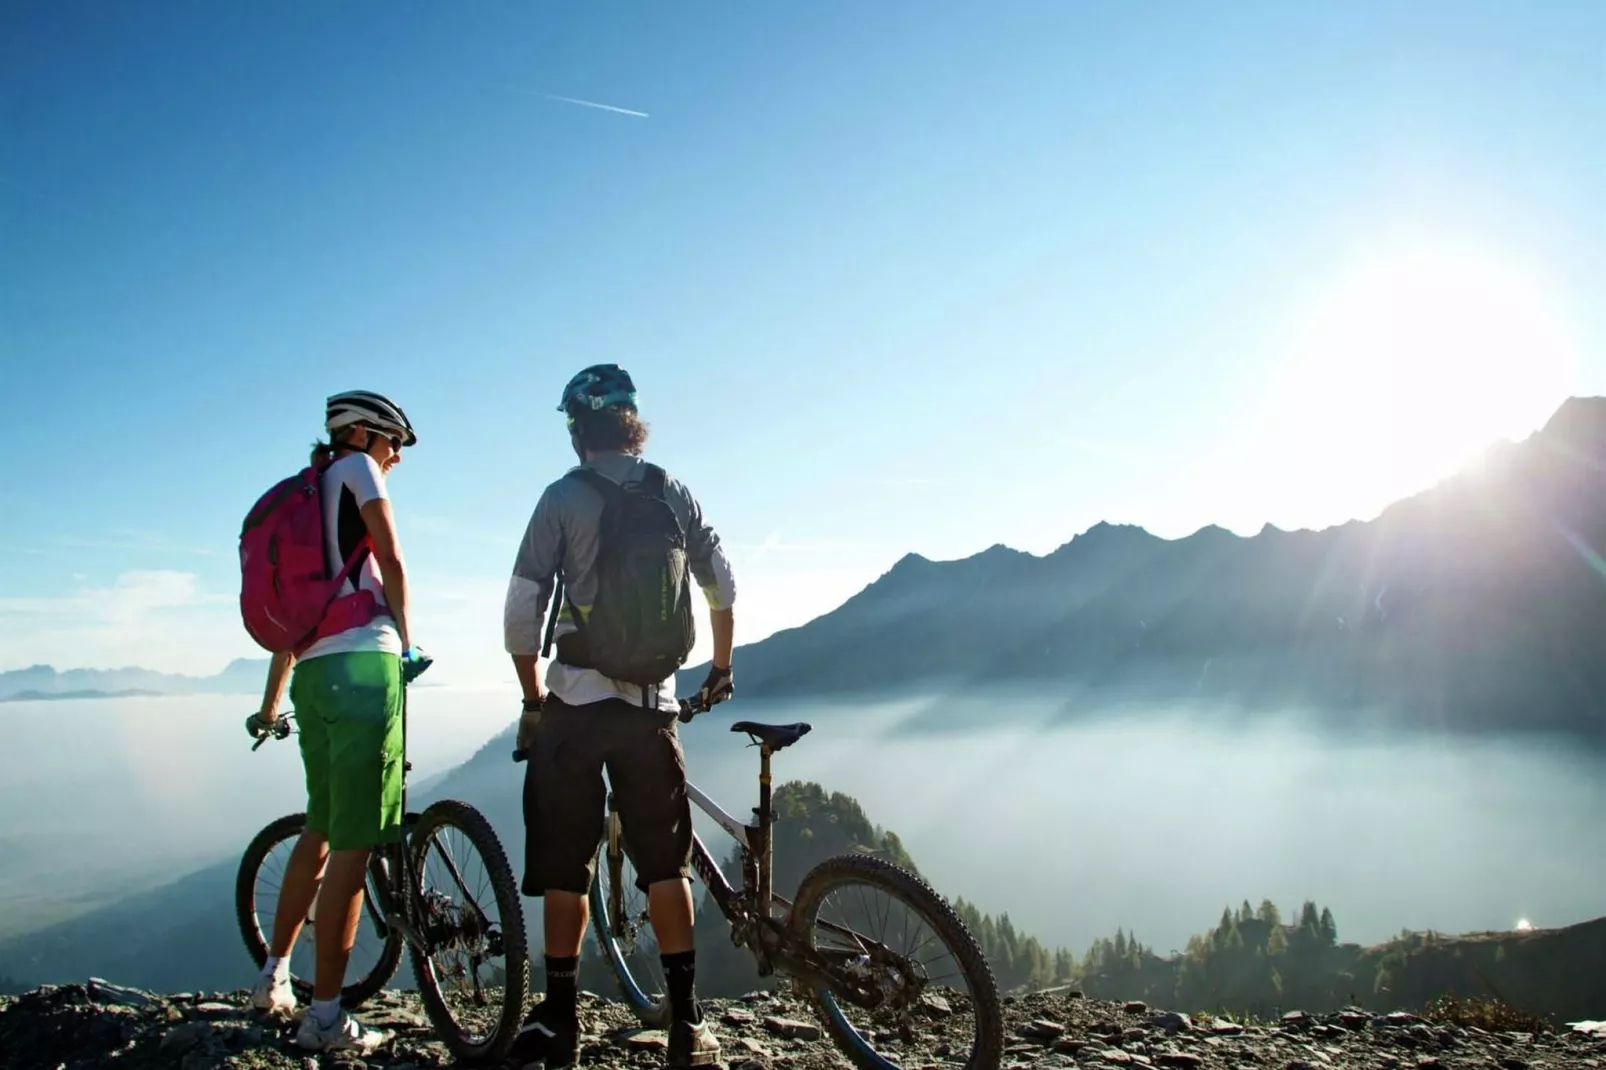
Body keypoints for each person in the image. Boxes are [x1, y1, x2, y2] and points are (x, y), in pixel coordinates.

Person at [504, 364, 737, 1069]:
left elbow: (521, 614)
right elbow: (721, 583)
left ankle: (561, 1024)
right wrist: (719, 668)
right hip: (651, 709)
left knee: (565, 866)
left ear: (578, 427)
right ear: (634, 421)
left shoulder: (561, 498)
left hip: (575, 707)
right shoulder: (672, 491)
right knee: (666, 865)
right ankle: (688, 1025)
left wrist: (531, 699)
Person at [244, 389, 419, 1055]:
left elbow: (293, 619)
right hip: (364, 669)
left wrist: (270, 705)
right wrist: (408, 642)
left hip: (313, 675)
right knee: (356, 841)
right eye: (393, 441)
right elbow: (393, 562)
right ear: (365, 434)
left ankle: (273, 978)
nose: (396, 456)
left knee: (319, 827)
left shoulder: (308, 491)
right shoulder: (359, 473)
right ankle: (325, 1017)